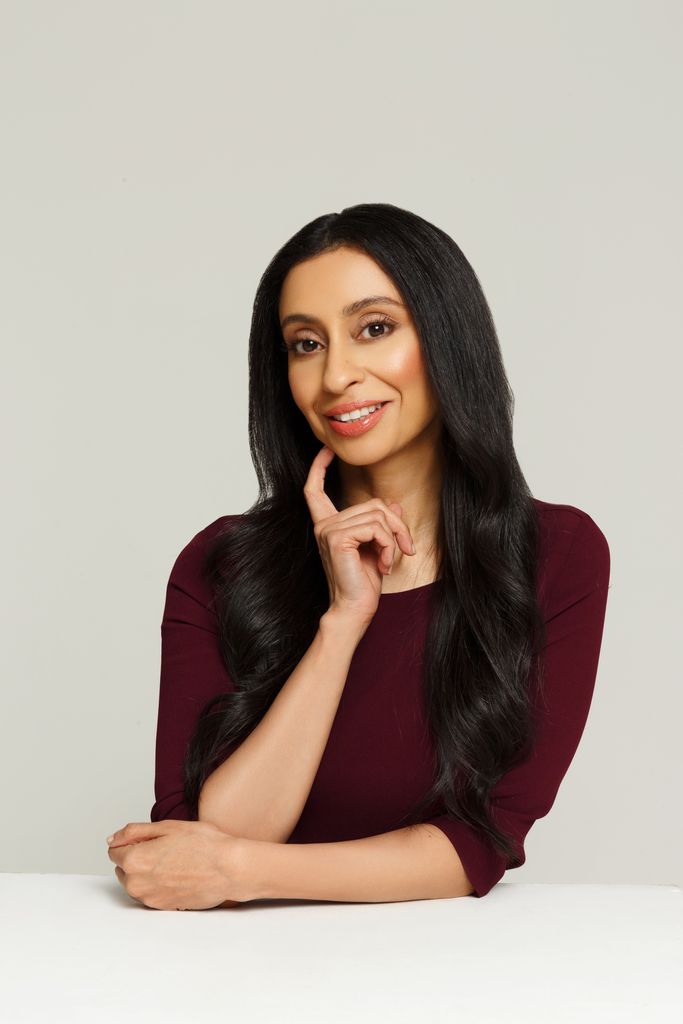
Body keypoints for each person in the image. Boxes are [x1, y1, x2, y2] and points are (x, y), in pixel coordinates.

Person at [106, 203, 610, 911]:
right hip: (227, 977)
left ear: (445, 340)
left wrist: (243, 872)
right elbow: (212, 835)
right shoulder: (219, 564)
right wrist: (342, 623)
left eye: (374, 329)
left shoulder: (556, 555)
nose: (336, 374)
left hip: (443, 975)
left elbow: (480, 840)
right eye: (305, 344)